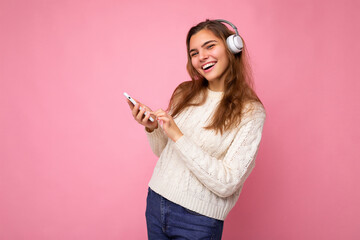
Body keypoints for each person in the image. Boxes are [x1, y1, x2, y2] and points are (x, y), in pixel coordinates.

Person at [126, 19, 266, 240]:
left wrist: (178, 136)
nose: (202, 57)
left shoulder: (251, 111)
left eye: (210, 46)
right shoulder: (185, 92)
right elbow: (165, 152)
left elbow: (227, 182)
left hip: (198, 221)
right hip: (156, 202)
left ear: (232, 47)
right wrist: (153, 128)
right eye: (194, 52)